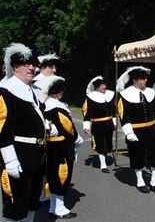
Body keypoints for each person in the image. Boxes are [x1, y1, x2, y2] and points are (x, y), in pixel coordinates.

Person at [0, 43, 46, 222]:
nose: (31, 67)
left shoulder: (35, 90)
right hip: (18, 154)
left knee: (33, 200)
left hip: (37, 155)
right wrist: (10, 159)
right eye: (26, 64)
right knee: (15, 204)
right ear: (15, 67)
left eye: (33, 64)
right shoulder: (6, 91)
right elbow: (2, 128)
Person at [37, 75, 83, 218]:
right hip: (61, 147)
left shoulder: (44, 105)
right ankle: (60, 208)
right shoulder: (58, 107)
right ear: (58, 92)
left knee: (52, 177)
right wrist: (78, 139)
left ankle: (53, 207)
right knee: (61, 177)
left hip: (49, 146)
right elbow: (69, 128)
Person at [117, 66, 155, 194]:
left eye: (145, 78)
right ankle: (140, 181)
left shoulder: (150, 92)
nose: (145, 81)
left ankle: (154, 181)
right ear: (135, 80)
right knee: (137, 156)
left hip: (151, 128)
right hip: (136, 130)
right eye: (143, 79)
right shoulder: (125, 95)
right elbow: (123, 116)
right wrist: (129, 132)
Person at [82, 76, 116, 173]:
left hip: (109, 123)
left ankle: (104, 160)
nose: (104, 87)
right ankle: (103, 165)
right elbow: (87, 113)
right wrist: (86, 127)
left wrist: (114, 123)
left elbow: (113, 110)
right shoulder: (91, 97)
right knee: (101, 145)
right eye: (102, 85)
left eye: (105, 85)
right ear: (98, 87)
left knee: (108, 144)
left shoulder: (110, 95)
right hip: (98, 124)